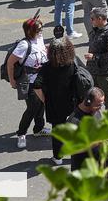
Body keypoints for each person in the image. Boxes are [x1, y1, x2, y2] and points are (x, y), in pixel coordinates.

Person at [33, 37, 91, 165]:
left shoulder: (47, 67)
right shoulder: (73, 63)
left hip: (55, 104)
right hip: (73, 102)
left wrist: (44, 99)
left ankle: (58, 157)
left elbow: (36, 85)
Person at [6, 17, 49, 149]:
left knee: (41, 104)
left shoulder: (39, 39)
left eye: (41, 29)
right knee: (32, 108)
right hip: (29, 81)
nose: (41, 31)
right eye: (39, 29)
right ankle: (21, 133)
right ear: (30, 31)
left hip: (42, 79)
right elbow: (10, 63)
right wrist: (12, 80)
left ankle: (39, 128)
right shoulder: (24, 45)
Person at [85, 7, 108, 111]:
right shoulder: (97, 29)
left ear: (100, 19)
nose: (91, 21)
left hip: (106, 72)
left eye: (92, 18)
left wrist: (94, 57)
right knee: (93, 97)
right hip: (94, 70)